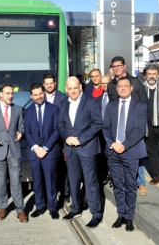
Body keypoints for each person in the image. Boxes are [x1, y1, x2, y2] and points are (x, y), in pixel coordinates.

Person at [57, 76, 103, 228]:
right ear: (66, 89)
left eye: (75, 88)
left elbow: (97, 123)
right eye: (69, 89)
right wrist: (66, 137)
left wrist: (81, 139)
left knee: (90, 182)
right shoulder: (63, 104)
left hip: (87, 148)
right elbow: (60, 124)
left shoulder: (91, 102)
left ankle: (96, 213)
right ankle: (75, 208)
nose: (73, 91)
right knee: (73, 180)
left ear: (80, 87)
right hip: (70, 149)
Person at [103, 77, 147, 232]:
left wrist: (124, 145)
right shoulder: (111, 105)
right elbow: (105, 128)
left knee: (130, 184)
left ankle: (129, 217)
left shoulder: (140, 106)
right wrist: (112, 143)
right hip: (113, 151)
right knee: (117, 184)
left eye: (125, 86)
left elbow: (140, 130)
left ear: (131, 87)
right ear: (116, 88)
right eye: (120, 86)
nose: (122, 88)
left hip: (130, 151)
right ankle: (121, 214)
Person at [0, 83, 27, 222]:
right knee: (1, 181)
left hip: (14, 150)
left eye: (12, 93)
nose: (10, 96)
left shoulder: (18, 109)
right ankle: (2, 207)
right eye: (7, 93)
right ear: (0, 94)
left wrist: (21, 133)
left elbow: (22, 127)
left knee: (16, 181)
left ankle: (20, 209)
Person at [107, 56, 148, 196]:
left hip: (135, 125)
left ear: (124, 66)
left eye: (119, 65)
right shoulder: (111, 85)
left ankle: (141, 182)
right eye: (114, 66)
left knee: (137, 155)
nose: (116, 68)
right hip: (120, 126)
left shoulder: (135, 81)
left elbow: (144, 101)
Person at [25, 83, 61, 220]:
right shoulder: (27, 111)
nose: (39, 97)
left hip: (50, 151)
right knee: (37, 181)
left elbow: (56, 130)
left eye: (41, 93)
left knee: (50, 180)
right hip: (34, 152)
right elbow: (27, 132)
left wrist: (45, 148)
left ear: (44, 93)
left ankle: (53, 207)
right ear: (31, 96)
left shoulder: (54, 109)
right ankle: (40, 206)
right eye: (36, 95)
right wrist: (36, 147)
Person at [43, 73, 68, 203]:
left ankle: (65, 193)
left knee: (63, 168)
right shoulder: (40, 97)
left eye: (51, 83)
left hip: (61, 138)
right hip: (45, 139)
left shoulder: (63, 97)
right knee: (48, 169)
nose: (49, 85)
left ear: (55, 83)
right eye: (46, 83)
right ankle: (49, 194)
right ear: (43, 85)